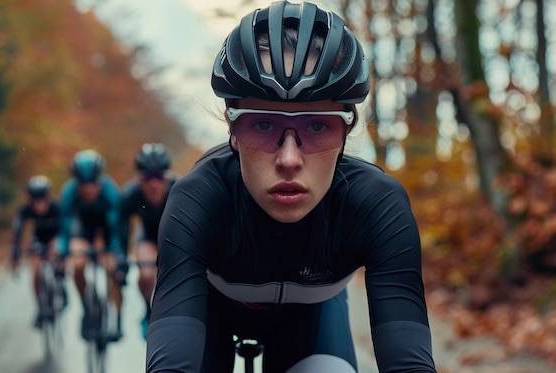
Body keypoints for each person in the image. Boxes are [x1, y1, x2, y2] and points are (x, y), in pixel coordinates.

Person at [146, 1, 436, 372]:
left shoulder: (376, 205)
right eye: (262, 125)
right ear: (231, 126)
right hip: (209, 316)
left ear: (347, 129)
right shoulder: (198, 198)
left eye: (317, 126)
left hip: (310, 323)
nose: (288, 159)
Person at [56, 149, 127, 342]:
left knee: (113, 270)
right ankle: (86, 308)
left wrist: (117, 254)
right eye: (83, 184)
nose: (88, 189)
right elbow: (65, 228)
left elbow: (116, 229)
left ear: (99, 179)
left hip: (107, 232)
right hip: (82, 231)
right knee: (77, 265)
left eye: (92, 183)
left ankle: (118, 320)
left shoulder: (110, 191)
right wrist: (63, 254)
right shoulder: (69, 192)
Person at [119, 143, 176, 339]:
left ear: (167, 176)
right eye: (148, 177)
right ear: (139, 178)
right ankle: (147, 311)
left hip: (174, 237)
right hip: (148, 238)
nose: (154, 184)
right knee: (146, 275)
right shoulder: (131, 195)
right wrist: (120, 257)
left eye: (159, 177)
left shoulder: (180, 189)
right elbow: (122, 228)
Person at [9, 175, 65, 329]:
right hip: (39, 240)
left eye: (42, 199)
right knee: (35, 270)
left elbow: (66, 229)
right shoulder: (25, 210)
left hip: (56, 238)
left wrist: (61, 248)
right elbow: (17, 234)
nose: (39, 203)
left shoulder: (57, 207)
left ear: (48, 197)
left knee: (58, 257)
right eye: (35, 199)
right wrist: (15, 259)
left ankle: (61, 286)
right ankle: (41, 306)